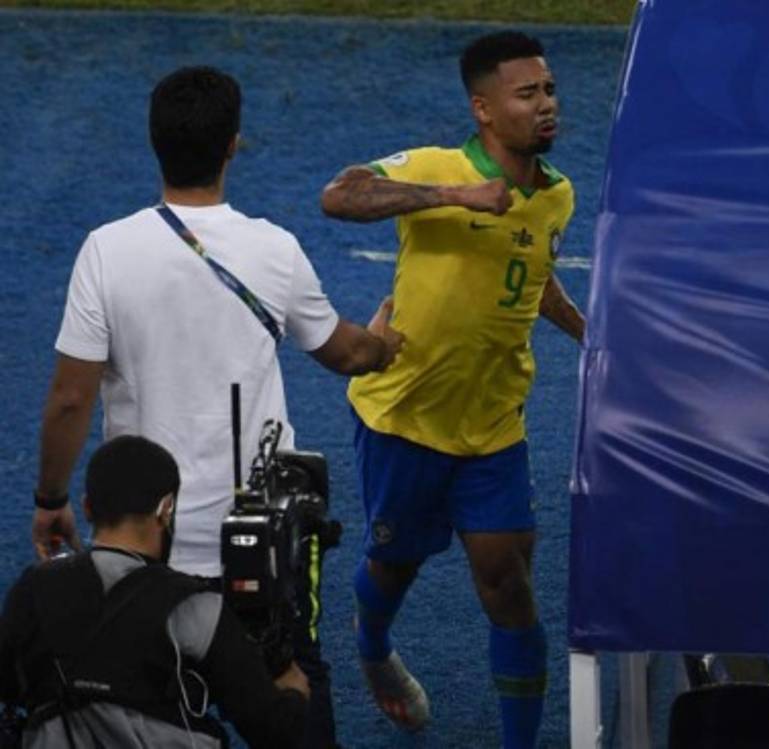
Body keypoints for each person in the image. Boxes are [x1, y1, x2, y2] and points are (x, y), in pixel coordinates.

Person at [32, 65, 402, 749]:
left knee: (150, 701)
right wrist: (384, 346)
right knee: (296, 686)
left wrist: (51, 496)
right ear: (233, 145)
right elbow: (345, 352)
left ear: (154, 142)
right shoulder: (275, 250)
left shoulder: (105, 252)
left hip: (144, 551)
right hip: (257, 546)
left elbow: (69, 398)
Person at [319, 30, 585, 748]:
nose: (547, 105)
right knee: (393, 567)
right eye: (527, 94)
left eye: (550, 90)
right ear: (484, 109)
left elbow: (531, 273)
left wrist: (587, 330)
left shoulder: (556, 194)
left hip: (495, 424)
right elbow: (338, 196)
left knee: (507, 581)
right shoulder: (440, 165)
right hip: (404, 421)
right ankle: (372, 645)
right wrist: (451, 196)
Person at [1, 435, 310, 748]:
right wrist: (293, 691)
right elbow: (274, 730)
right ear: (166, 509)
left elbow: (9, 687)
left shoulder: (32, 589)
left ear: (88, 508)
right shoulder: (195, 607)